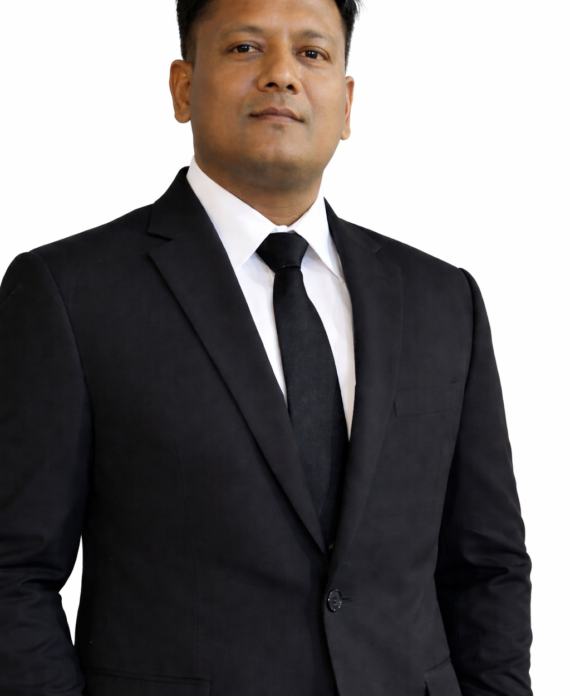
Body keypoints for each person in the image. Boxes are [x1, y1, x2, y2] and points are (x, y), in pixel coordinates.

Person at [0, 0, 532, 694]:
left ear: (346, 103)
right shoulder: (69, 293)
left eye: (312, 53)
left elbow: (487, 567)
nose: (283, 74)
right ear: (183, 88)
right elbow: (13, 571)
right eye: (245, 48)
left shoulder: (442, 300)